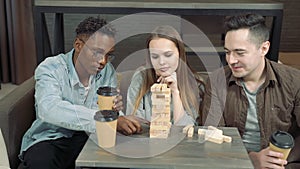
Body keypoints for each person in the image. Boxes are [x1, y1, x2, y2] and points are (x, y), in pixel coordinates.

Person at [18, 16, 134, 169]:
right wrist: (103, 120)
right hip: (50, 139)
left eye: (108, 55)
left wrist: (116, 113)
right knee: (42, 161)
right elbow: (49, 109)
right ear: (78, 45)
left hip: (87, 138)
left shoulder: (107, 72)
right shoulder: (51, 68)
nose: (103, 61)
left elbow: (105, 113)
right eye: (97, 53)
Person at [200, 13, 300, 169]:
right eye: (227, 52)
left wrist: (276, 160)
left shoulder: (294, 82)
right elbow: (212, 136)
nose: (231, 60)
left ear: (264, 48)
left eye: (240, 53)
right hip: (233, 163)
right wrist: (250, 159)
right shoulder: (216, 81)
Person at [119, 25, 205, 135]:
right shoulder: (140, 78)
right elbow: (134, 125)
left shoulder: (194, 83)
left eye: (168, 55)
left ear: (180, 54)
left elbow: (185, 129)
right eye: (155, 56)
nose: (161, 62)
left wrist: (175, 91)